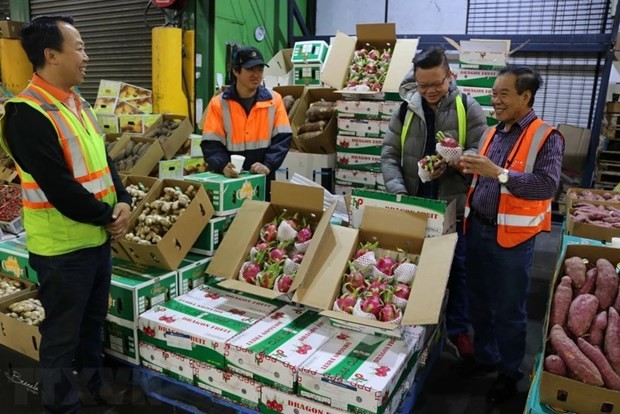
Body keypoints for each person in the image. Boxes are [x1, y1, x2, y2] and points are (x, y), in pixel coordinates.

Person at [0, 15, 132, 413]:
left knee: (93, 328)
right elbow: (59, 187)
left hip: (95, 241)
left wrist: (124, 200)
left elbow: (104, 162)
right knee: (60, 337)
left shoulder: (78, 103)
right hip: (62, 251)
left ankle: (96, 388)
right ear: (51, 55)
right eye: (80, 48)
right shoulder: (25, 114)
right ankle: (62, 406)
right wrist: (111, 216)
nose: (87, 57)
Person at [459, 66, 564, 403]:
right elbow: (485, 177)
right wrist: (469, 166)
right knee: (478, 301)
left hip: (513, 240)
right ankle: (486, 357)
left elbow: (547, 186)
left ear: (525, 96)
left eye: (503, 93)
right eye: (493, 93)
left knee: (508, 309)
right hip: (476, 229)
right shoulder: (491, 134)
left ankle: (508, 373)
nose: (495, 100)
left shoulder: (546, 137)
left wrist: (500, 174)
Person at [381, 46, 487, 360]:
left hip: (452, 207)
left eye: (436, 84)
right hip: (414, 204)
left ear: (449, 76)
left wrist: (455, 162)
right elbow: (388, 156)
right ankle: (412, 328)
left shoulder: (468, 108)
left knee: (457, 270)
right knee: (409, 269)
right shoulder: (404, 110)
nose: (430, 91)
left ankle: (458, 330)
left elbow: (481, 158)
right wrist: (399, 191)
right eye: (423, 85)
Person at [201, 46, 292, 199]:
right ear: (236, 71)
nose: (256, 75)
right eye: (250, 70)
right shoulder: (219, 104)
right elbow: (211, 143)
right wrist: (223, 165)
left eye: (260, 70)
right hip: (231, 181)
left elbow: (282, 139)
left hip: (263, 178)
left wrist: (268, 165)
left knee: (261, 219)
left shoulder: (274, 100)